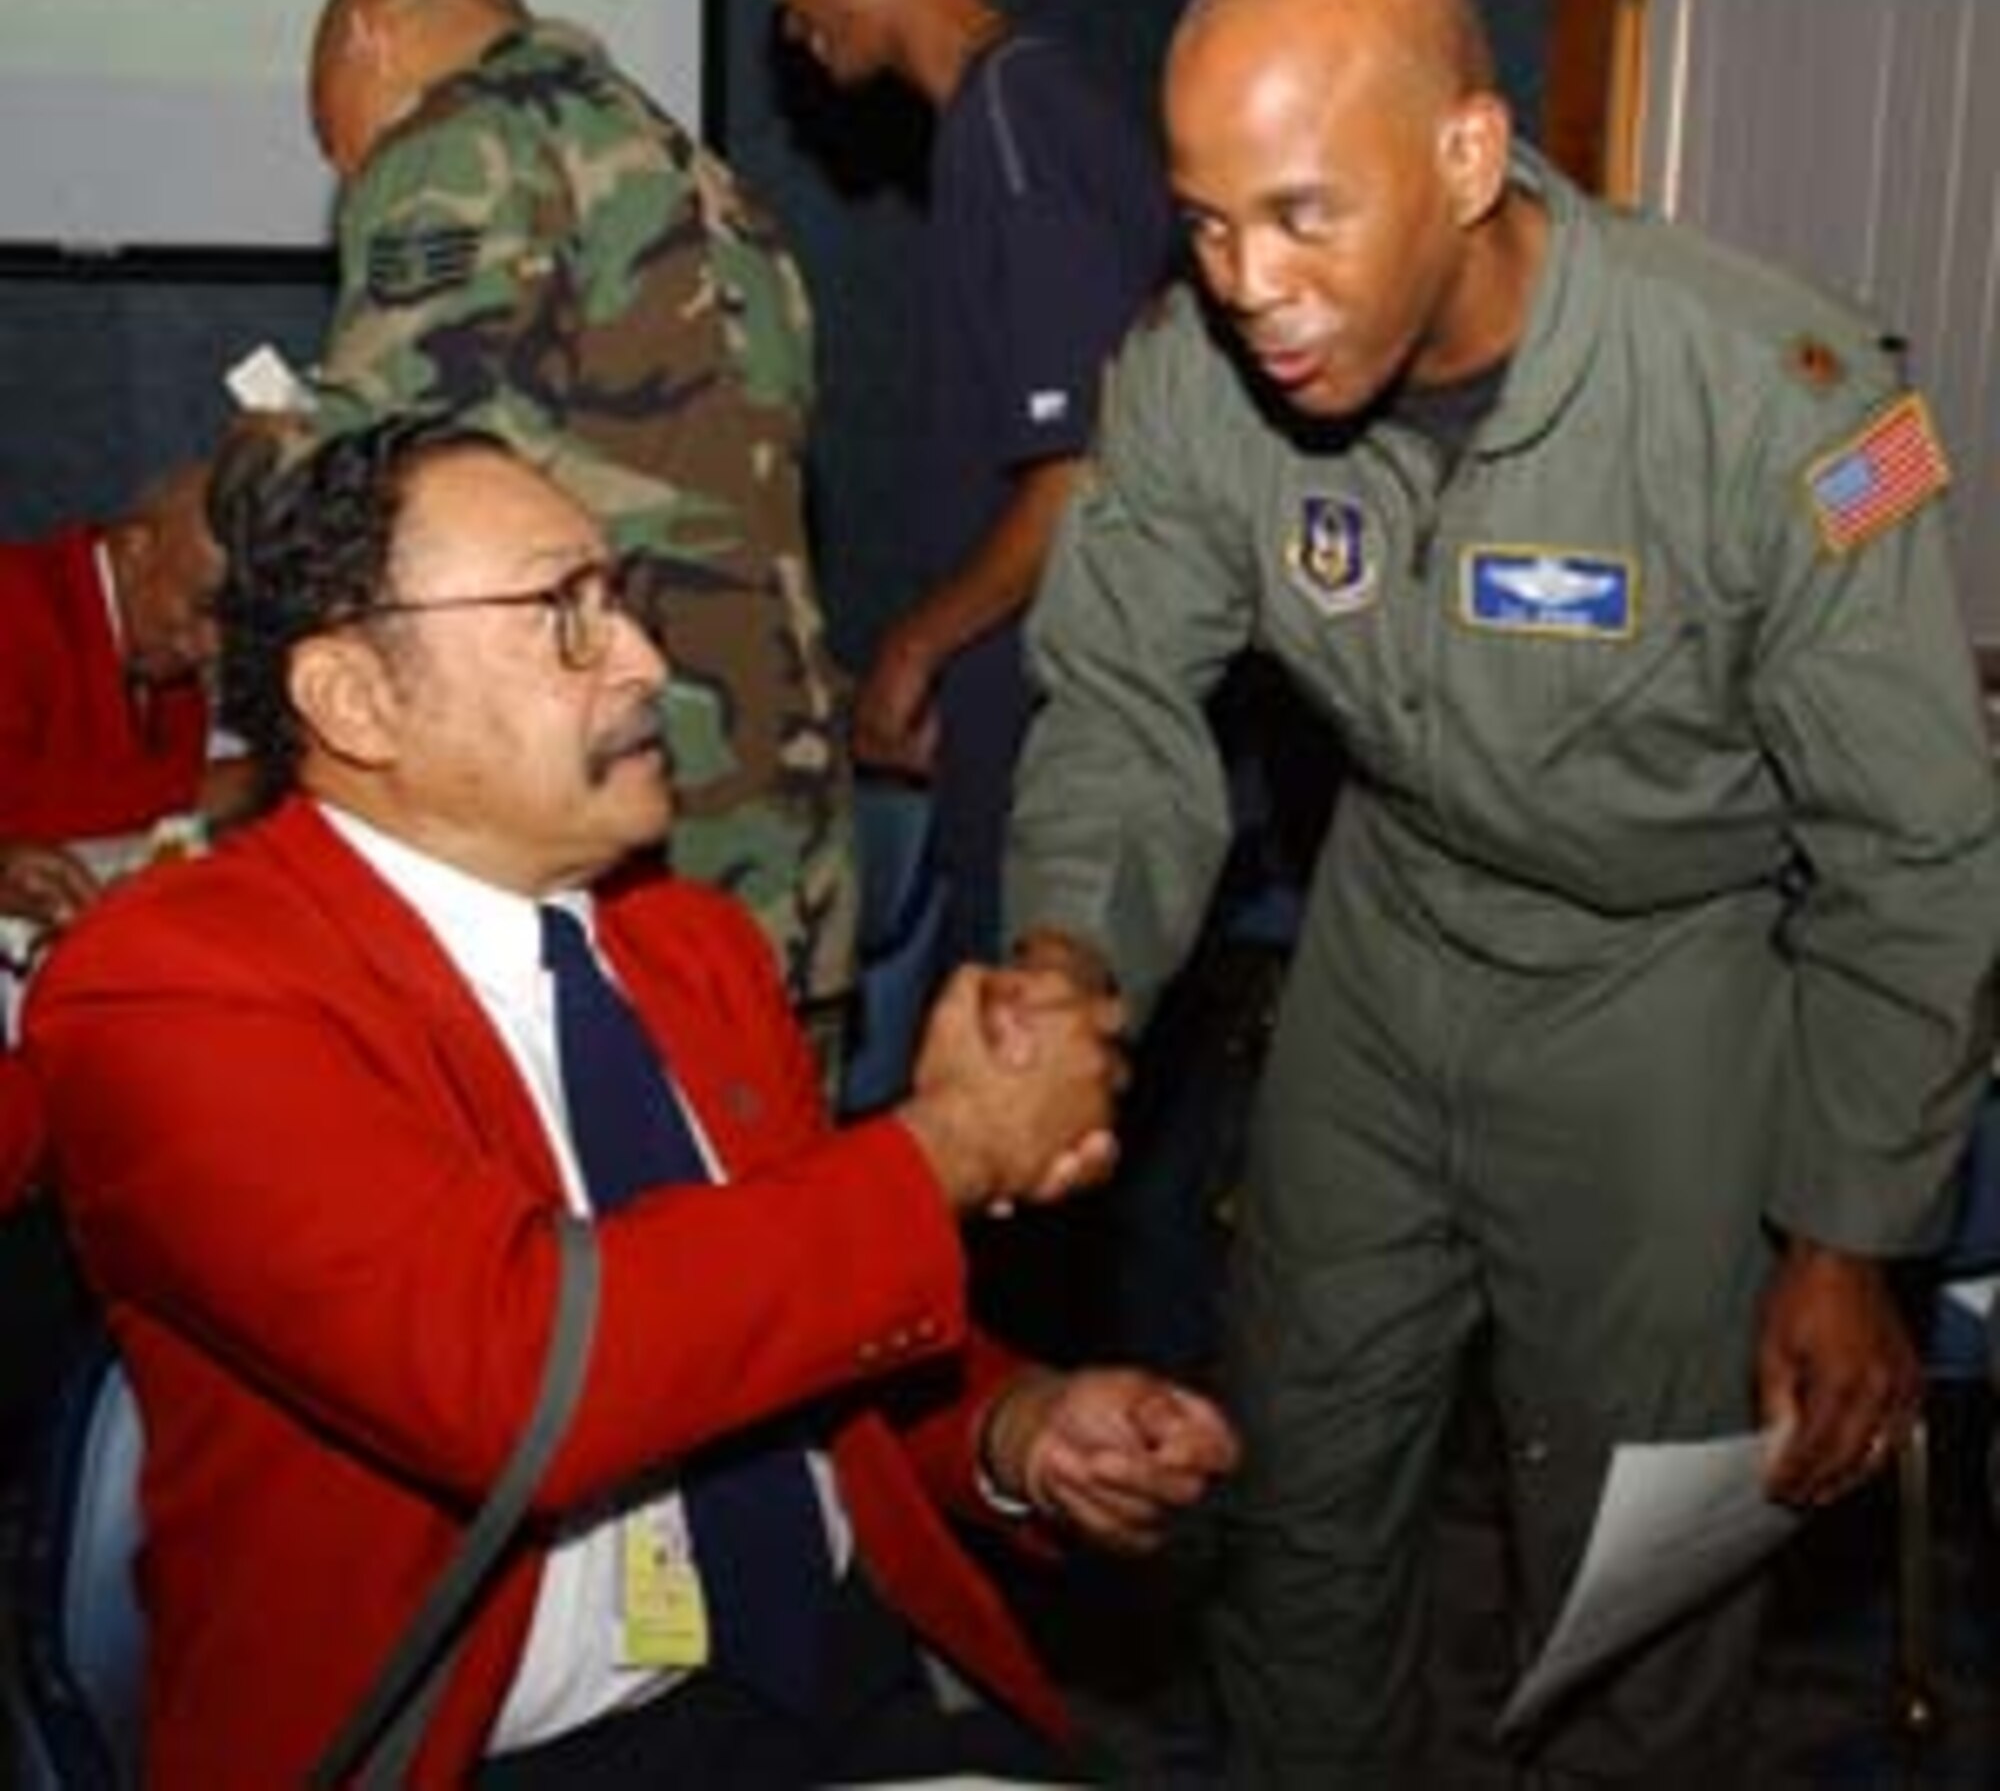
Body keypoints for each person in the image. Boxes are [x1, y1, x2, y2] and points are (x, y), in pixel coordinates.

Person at [1003, 0, 2000, 1786]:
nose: (1251, 285)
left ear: (1467, 156)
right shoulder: (1200, 385)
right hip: (1386, 946)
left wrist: (1850, 1224)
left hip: (1669, 979)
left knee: (1640, 1555)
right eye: (1208, 223)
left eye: (1305, 214)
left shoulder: (1775, 404)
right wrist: (1071, 958)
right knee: (1296, 1482)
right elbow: (1125, 702)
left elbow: (1917, 844)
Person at [25, 416, 1238, 1787]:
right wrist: (948, 1149)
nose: (650, 662)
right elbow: (517, 1369)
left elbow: (783, 1320)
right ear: (356, 700)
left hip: (840, 1682)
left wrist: (1015, 1431)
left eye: (619, 601)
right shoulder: (165, 992)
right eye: (562, 616)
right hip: (502, 1748)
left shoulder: (690, 946)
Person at [295, 0, 856, 1029]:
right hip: (782, 829)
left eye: (335, 140)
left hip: (602, 827)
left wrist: (260, 460)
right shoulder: (714, 183)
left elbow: (383, 500)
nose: (351, 176)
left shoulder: (455, 146)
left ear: (367, 39)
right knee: (785, 1192)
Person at [764, 0, 1175, 962]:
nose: (792, 27)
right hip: (1019, 720)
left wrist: (915, 645)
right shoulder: (998, 116)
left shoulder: (1014, 115)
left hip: (1063, 751)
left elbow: (1084, 470)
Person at [0, 460, 243, 933]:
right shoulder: (14, 600)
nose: (213, 645)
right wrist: (196, 789)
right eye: (202, 607)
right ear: (136, 546)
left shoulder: (155, 644)